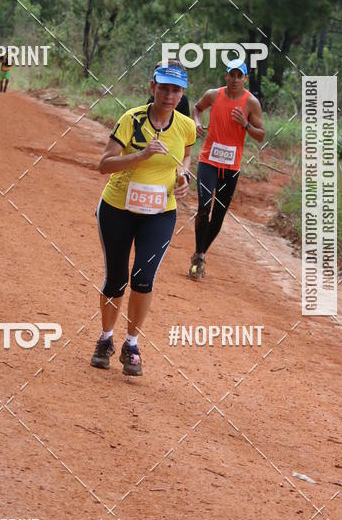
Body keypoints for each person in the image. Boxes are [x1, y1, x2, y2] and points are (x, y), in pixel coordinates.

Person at [92, 62, 195, 376]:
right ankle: (105, 339)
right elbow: (104, 165)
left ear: (182, 93)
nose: (169, 95)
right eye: (163, 88)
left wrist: (183, 176)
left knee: (143, 278)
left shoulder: (186, 126)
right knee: (117, 278)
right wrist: (141, 155)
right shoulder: (131, 119)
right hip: (117, 208)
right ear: (153, 88)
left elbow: (185, 156)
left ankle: (132, 344)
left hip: (160, 212)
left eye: (175, 90)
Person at [188, 60, 265, 280]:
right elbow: (197, 108)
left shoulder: (251, 103)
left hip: (231, 166)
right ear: (226, 76)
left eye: (239, 76)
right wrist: (196, 122)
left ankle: (200, 253)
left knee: (218, 215)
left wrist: (246, 124)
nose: (235, 79)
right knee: (204, 208)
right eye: (232, 75)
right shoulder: (213, 95)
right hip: (208, 161)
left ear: (245, 79)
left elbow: (261, 135)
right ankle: (199, 256)